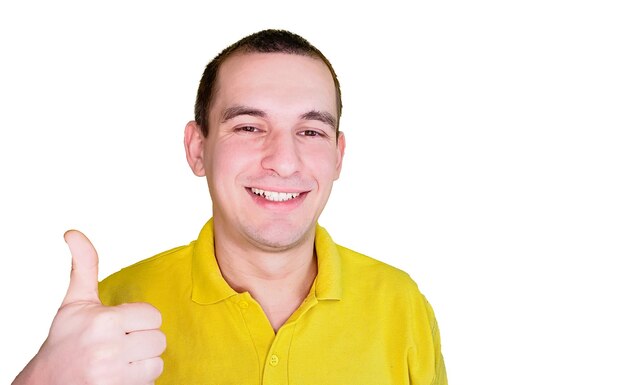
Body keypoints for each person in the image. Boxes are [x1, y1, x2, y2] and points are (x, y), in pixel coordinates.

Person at [13, 29, 447, 384]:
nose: (283, 160)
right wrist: (42, 380)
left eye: (311, 131)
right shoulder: (113, 311)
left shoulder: (402, 305)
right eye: (248, 126)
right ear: (197, 148)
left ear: (338, 155)